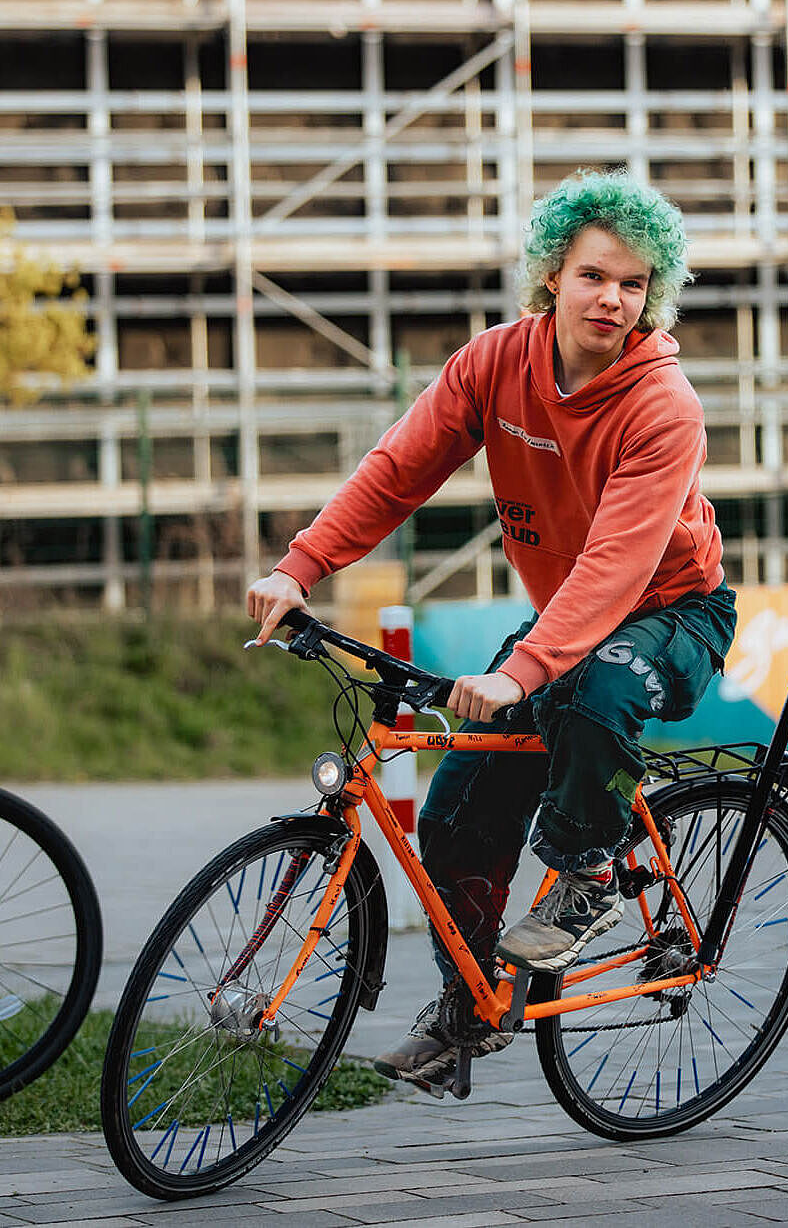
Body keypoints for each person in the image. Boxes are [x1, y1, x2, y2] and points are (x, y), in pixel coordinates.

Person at [246, 168, 736, 1095]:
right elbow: (400, 469)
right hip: (563, 617)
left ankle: (587, 869)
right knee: (455, 808)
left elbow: (619, 564)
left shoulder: (663, 405)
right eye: (595, 275)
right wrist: (299, 565)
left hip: (670, 612)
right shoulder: (494, 364)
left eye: (634, 284)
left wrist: (521, 671)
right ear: (553, 273)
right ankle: (469, 1007)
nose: (613, 298)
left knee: (593, 692)